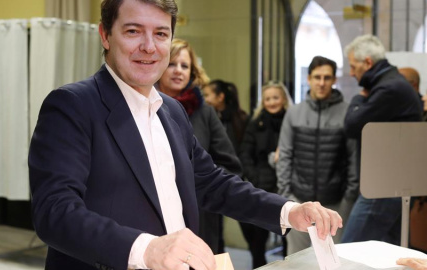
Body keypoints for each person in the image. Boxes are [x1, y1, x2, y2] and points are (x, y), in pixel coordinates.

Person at [28, 1, 343, 269]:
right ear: (105, 35)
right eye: (133, 31)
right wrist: (148, 249)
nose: (149, 46)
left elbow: (211, 182)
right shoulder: (73, 105)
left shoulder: (173, 111)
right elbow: (55, 212)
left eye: (161, 34)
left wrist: (289, 211)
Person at [157, 38, 242, 254]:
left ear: (193, 72)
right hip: (154, 218)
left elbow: (230, 165)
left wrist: (201, 190)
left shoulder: (205, 113)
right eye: (171, 64)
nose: (178, 71)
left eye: (184, 66)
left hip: (200, 217)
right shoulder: (143, 107)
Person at [342, 34, 422, 245]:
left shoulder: (389, 88)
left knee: (348, 252)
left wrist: (360, 96)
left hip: (383, 188)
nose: (351, 73)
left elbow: (351, 125)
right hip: (393, 184)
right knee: (390, 257)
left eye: (353, 66)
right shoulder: (393, 83)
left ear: (367, 62)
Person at [276, 56, 359, 255]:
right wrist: (287, 197)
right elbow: (285, 155)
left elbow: (353, 160)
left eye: (327, 78)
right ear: (309, 78)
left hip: (334, 206)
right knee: (297, 264)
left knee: (333, 262)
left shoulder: (347, 113)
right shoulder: (294, 113)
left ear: (334, 80)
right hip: (299, 202)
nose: (322, 83)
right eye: (317, 77)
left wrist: (347, 202)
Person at [238, 81, 291, 268]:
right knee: (258, 238)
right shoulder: (255, 123)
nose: (271, 102)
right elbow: (245, 154)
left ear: (284, 99)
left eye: (275, 98)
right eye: (267, 99)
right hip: (261, 186)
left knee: (288, 236)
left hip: (285, 186)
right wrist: (255, 178)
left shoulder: (291, 121)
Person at [203, 79, 249, 155]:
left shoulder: (241, 119)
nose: (205, 99)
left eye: (207, 95)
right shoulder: (207, 117)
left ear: (220, 97)